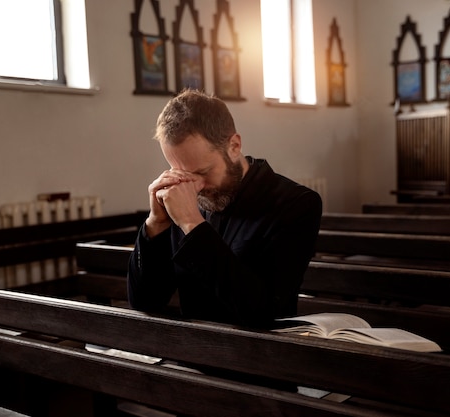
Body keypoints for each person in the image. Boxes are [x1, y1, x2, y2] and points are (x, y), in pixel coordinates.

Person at [127, 89, 322, 329]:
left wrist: (192, 224)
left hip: (259, 356)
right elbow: (145, 302)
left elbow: (263, 311)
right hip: (191, 352)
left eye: (202, 173)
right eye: (181, 174)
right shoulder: (183, 197)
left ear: (234, 145)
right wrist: (156, 224)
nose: (195, 187)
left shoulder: (297, 203)